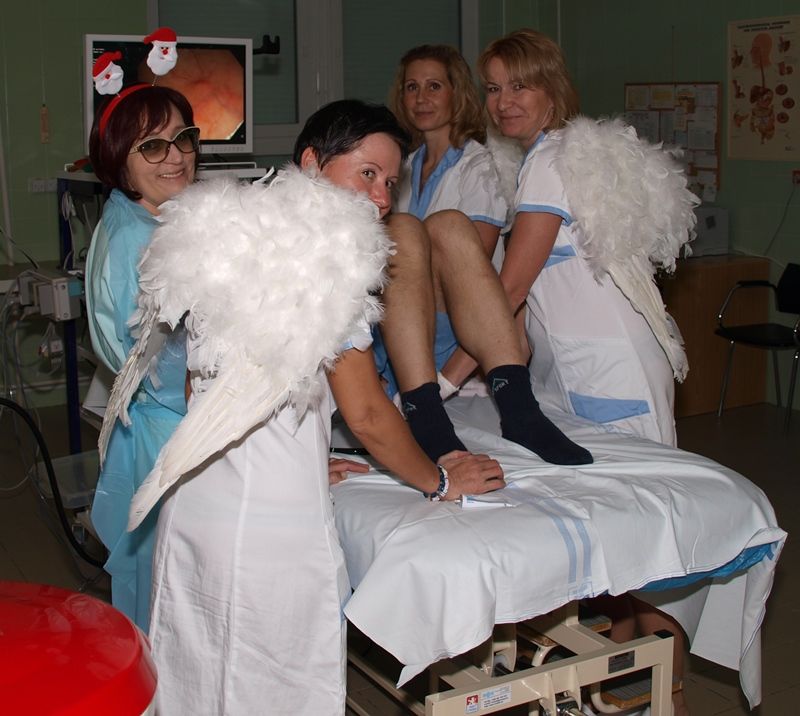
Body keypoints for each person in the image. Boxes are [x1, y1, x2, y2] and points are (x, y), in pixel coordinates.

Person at [139, 99, 506, 715]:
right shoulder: (330, 262)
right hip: (270, 538)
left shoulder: (235, 232)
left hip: (197, 505)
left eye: (390, 182)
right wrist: (440, 480)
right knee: (273, 685)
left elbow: (201, 390)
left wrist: (295, 457)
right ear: (312, 162)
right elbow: (367, 415)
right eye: (367, 173)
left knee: (197, 674)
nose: (381, 197)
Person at [477, 29, 694, 714]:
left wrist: (443, 379)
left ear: (552, 87)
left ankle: (669, 685)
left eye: (520, 85)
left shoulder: (549, 163)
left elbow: (509, 289)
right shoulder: (546, 156)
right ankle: (610, 675)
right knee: (614, 536)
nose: (504, 101)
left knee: (645, 542)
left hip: (611, 370)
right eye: (493, 88)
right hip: (583, 366)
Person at [85, 84, 198, 631]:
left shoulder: (146, 219)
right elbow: (170, 369)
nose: (175, 156)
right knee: (169, 604)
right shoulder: (140, 242)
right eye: (152, 146)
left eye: (183, 138)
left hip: (160, 426)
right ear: (119, 159)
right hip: (169, 433)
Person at [389, 44, 507, 256]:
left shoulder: (482, 167)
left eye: (434, 86)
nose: (420, 98)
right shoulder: (401, 167)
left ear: (457, 93)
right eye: (412, 87)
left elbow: (473, 262)